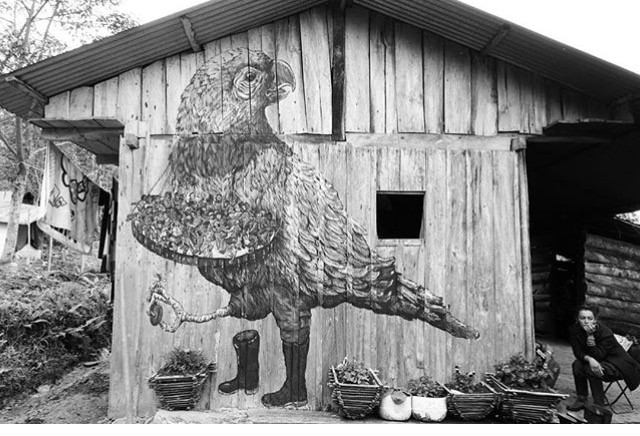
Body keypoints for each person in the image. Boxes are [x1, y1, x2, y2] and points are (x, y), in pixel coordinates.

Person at [567, 304, 640, 411]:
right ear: (577, 319)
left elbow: (599, 355)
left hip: (618, 365)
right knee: (577, 364)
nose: (586, 322)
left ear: (595, 320)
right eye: (582, 318)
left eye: (590, 318)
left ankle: (598, 405)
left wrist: (590, 337)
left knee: (589, 368)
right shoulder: (574, 330)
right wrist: (590, 359)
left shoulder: (605, 332)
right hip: (598, 361)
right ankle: (582, 399)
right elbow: (578, 352)